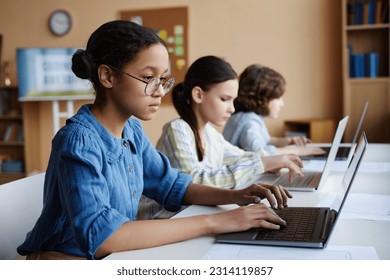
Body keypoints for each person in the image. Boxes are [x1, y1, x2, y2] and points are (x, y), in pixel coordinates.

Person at [17, 21, 293, 260]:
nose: (160, 91)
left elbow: (172, 185)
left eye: (163, 79)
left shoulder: (132, 131)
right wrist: (218, 221)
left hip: (109, 258)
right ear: (107, 76)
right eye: (149, 78)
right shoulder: (78, 140)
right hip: (62, 261)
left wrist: (235, 197)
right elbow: (103, 237)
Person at [142, 56, 304, 218]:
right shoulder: (177, 129)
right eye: (225, 99)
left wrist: (274, 161)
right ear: (198, 95)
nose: (232, 109)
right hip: (163, 219)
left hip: (192, 215)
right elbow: (194, 184)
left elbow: (239, 156)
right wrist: (262, 163)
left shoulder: (210, 133)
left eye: (234, 101)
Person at [222, 64, 324, 156]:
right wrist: (297, 151)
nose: (282, 104)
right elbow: (260, 152)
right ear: (262, 99)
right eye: (278, 98)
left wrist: (288, 141)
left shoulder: (249, 117)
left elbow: (265, 140)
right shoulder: (249, 122)